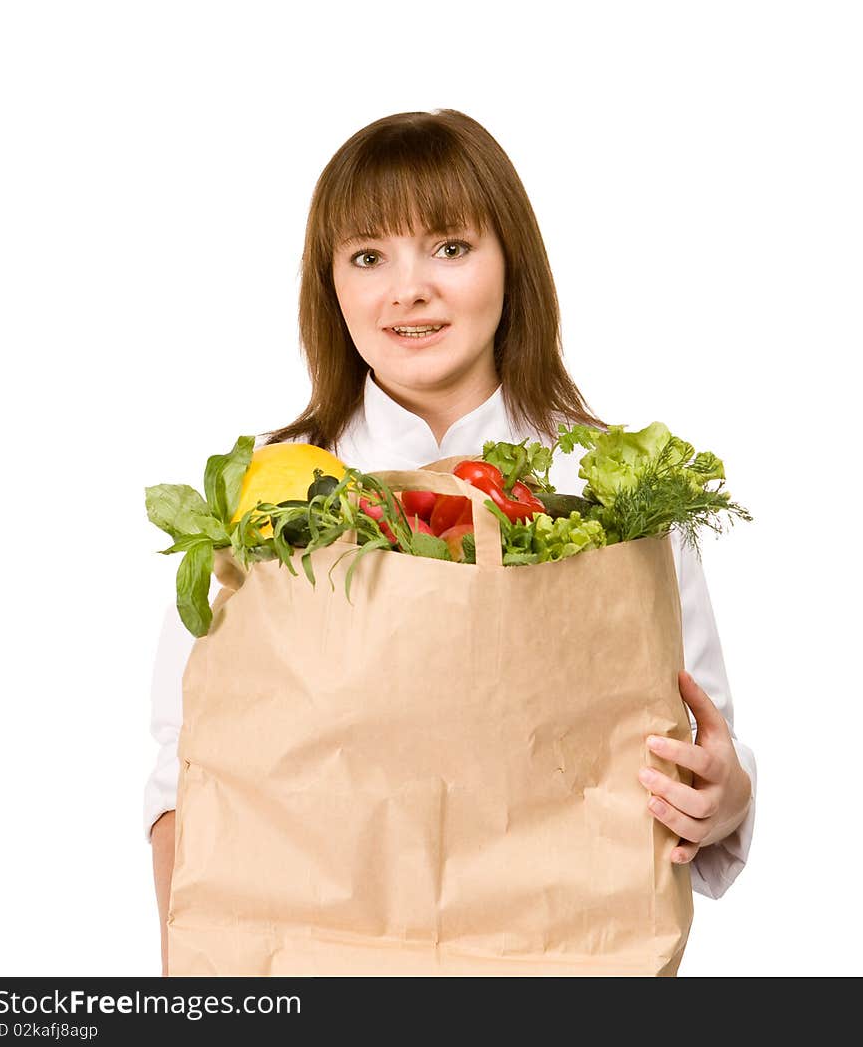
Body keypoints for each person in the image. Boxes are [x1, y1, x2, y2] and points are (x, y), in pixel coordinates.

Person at [146, 108, 756, 975]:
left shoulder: (611, 489)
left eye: (450, 248)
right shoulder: (262, 496)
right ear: (333, 287)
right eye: (368, 257)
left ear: (513, 264)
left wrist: (728, 799)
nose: (408, 289)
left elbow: (699, 744)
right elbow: (186, 778)